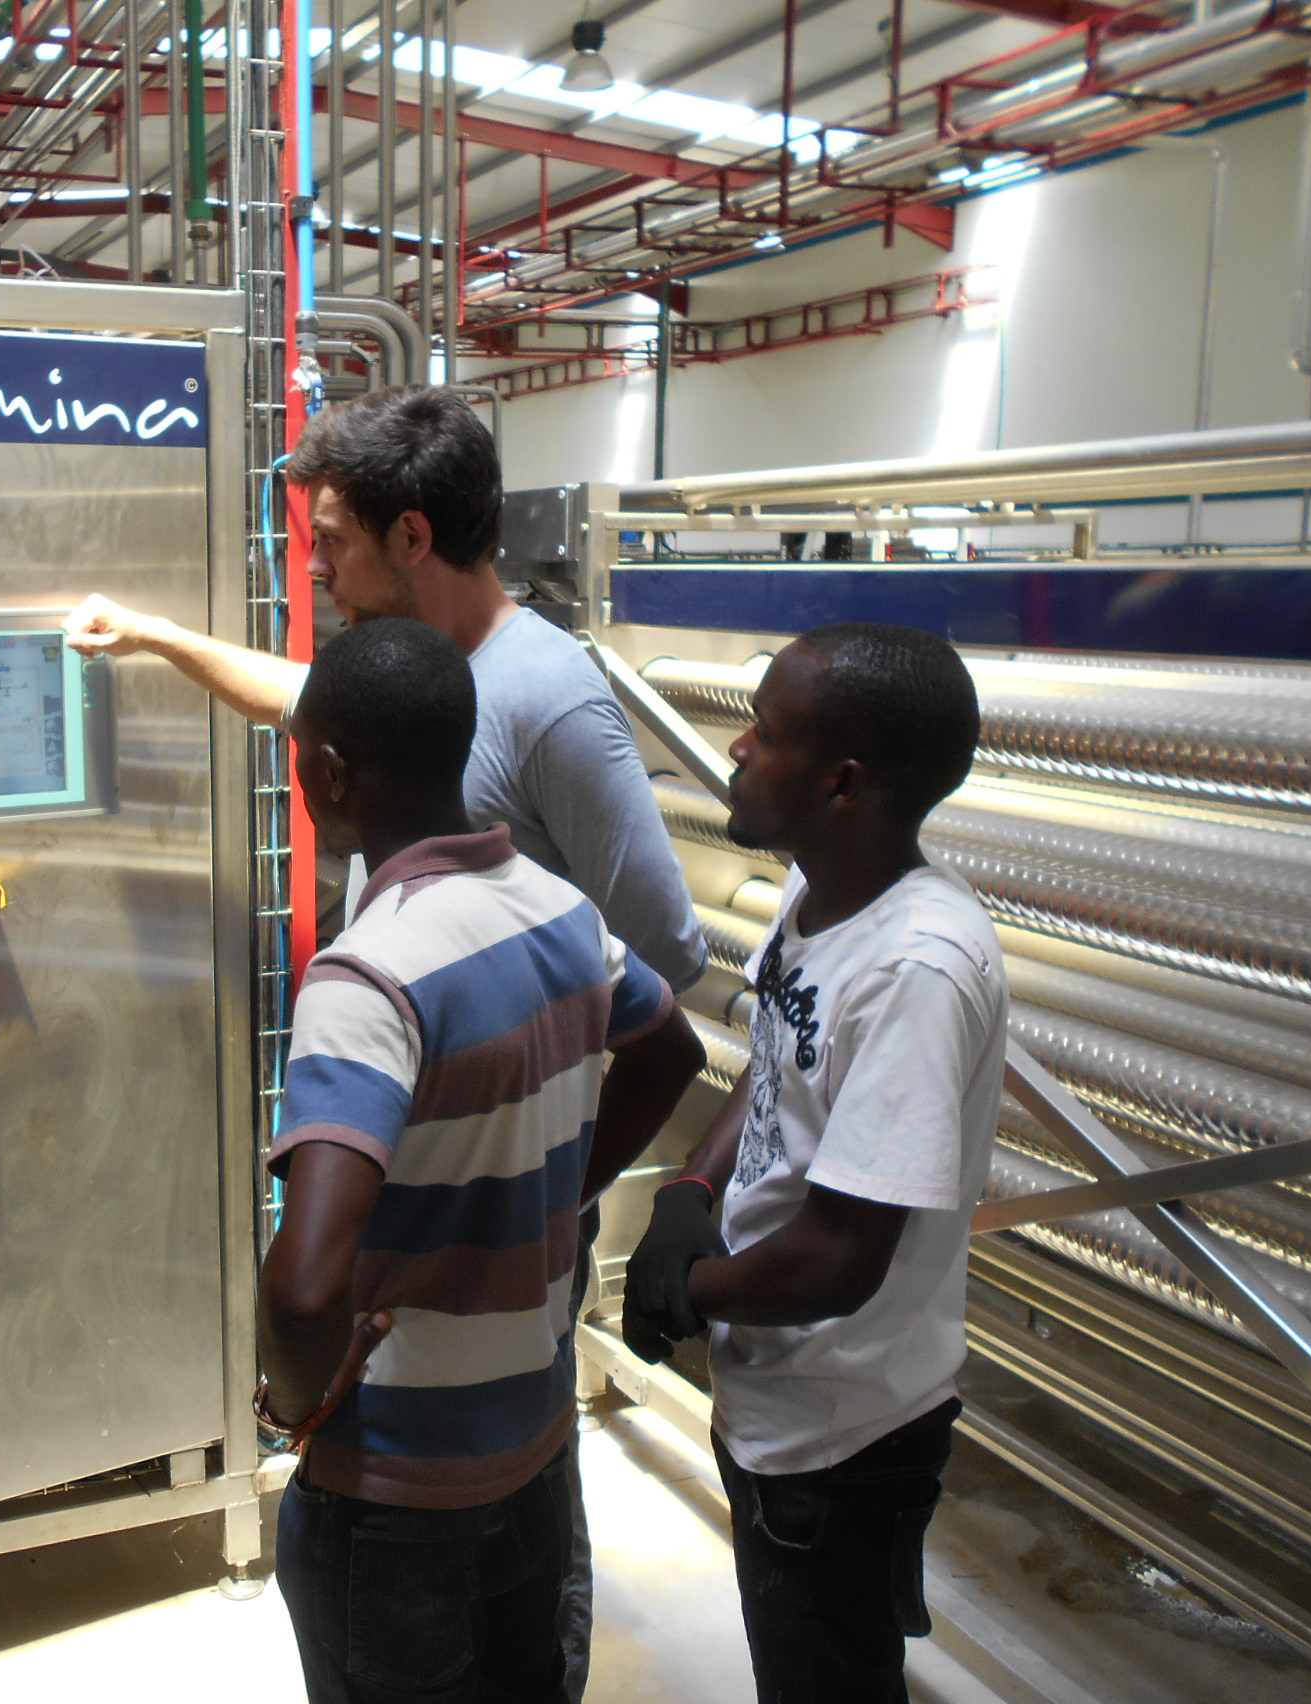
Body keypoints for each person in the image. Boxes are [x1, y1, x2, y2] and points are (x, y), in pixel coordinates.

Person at [68, 385, 707, 1692]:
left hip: (500, 1184)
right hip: (422, 1175)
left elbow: (659, 957)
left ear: (411, 539)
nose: (323, 571)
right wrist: (148, 635)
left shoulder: (548, 702)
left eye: (336, 546)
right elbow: (313, 703)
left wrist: (550, 1176)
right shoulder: (416, 681)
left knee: (493, 1515)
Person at [259, 619, 706, 1704]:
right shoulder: (560, 912)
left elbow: (307, 1279)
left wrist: (297, 1406)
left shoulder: (368, 976)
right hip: (535, 1452)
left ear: (326, 772)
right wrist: (552, 1200)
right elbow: (672, 1053)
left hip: (396, 1493)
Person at [620, 623, 1006, 1704]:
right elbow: (776, 1063)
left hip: (844, 1442)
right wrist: (691, 1193)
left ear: (842, 781)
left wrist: (688, 1290)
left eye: (766, 733)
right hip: (777, 1399)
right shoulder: (822, 895)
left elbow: (840, 1258)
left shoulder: (917, 969)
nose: (738, 750)